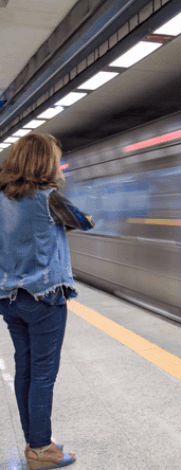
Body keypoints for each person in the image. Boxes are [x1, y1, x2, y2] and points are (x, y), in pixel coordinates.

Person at [0, 134, 85, 469]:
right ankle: (40, 449)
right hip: (45, 299)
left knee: (25, 369)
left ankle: (36, 443)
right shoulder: (50, 199)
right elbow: (84, 221)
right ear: (45, 163)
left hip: (9, 299)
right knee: (43, 375)